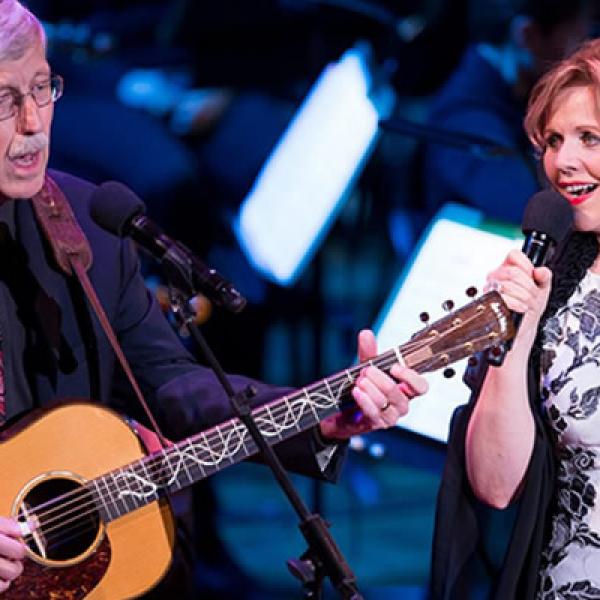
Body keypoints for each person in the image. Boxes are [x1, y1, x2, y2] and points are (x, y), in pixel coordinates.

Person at [0, 1, 429, 597]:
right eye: (4, 100)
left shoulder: (86, 223)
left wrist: (319, 417)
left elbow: (171, 382)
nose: (31, 123)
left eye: (42, 89)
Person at [431, 37, 600, 598]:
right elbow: (494, 485)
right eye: (553, 141)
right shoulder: (550, 285)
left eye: (589, 139)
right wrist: (516, 332)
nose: (563, 162)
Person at [420, 0, 592, 226]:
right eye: (576, 40)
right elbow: (538, 217)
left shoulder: (508, 76)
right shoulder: (467, 126)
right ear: (529, 36)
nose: (583, 55)